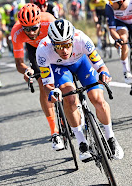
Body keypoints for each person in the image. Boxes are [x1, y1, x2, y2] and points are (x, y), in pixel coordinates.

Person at [36, 19, 124, 161]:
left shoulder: (81, 39)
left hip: (81, 63)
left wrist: (104, 74)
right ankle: (82, 142)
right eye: (59, 46)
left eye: (67, 44)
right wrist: (53, 92)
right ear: (52, 44)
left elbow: (101, 66)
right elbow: (47, 85)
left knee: (98, 100)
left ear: (72, 39)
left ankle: (111, 138)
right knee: (69, 99)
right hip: (60, 69)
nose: (64, 50)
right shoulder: (43, 50)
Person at [10, 3, 64, 151]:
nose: (31, 32)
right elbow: (19, 63)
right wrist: (27, 71)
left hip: (52, 45)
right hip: (34, 50)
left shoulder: (49, 21)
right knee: (43, 84)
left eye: (34, 28)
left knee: (65, 74)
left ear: (40, 22)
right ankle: (54, 131)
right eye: (27, 29)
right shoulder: (16, 32)